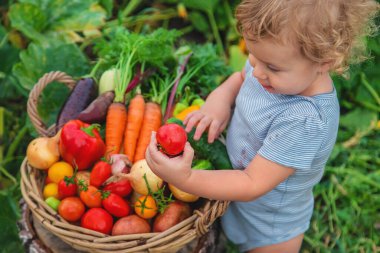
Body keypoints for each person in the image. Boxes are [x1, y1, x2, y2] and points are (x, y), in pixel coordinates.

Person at [145, 0, 379, 252]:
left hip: (270, 228)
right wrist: (220, 100)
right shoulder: (271, 66)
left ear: (324, 60)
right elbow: (240, 77)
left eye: (271, 67)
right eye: (252, 56)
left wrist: (186, 179)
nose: (256, 71)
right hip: (233, 193)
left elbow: (251, 183)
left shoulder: (304, 121)